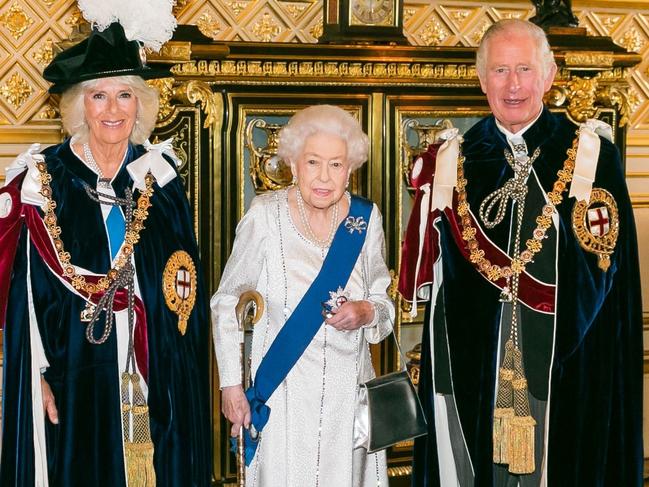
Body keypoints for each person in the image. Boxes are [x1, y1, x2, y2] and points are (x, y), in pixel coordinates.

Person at [408, 19, 643, 486]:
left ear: (549, 75)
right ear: (481, 80)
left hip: (567, 362)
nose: (512, 85)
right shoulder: (456, 160)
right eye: (499, 71)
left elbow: (607, 270)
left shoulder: (590, 156)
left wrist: (550, 349)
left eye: (524, 69)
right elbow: (442, 290)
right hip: (478, 371)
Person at [0, 22, 212, 486]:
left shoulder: (162, 178)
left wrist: (179, 373)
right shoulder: (42, 182)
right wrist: (33, 377)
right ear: (79, 105)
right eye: (99, 96)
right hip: (73, 373)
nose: (113, 109)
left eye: (124, 95)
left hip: (154, 371)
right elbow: (23, 299)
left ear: (141, 103)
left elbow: (186, 292)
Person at [211, 104, 394, 486]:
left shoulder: (365, 219)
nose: (324, 177)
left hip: (348, 401)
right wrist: (230, 384)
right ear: (293, 164)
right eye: (313, 162)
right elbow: (226, 301)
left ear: (350, 169)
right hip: (284, 399)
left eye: (336, 164)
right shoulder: (265, 215)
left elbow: (384, 304)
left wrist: (365, 311)